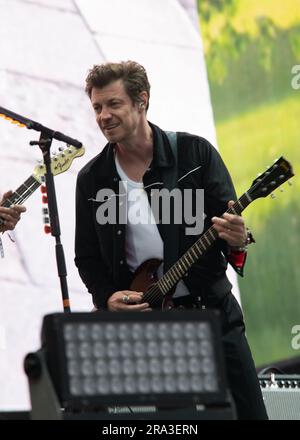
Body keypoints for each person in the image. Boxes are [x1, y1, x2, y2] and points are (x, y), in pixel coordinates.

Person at [74, 61, 268, 420]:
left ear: (141, 100)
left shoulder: (194, 154)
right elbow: (86, 257)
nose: (104, 116)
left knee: (249, 414)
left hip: (213, 313)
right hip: (152, 327)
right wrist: (105, 297)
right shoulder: (93, 178)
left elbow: (230, 235)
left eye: (113, 104)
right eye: (97, 107)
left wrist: (239, 240)